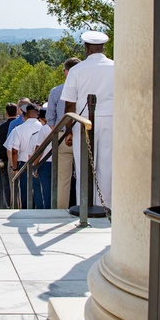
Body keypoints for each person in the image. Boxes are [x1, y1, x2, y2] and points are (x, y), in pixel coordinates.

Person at [62, 31, 114, 211]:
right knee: (106, 168)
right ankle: (105, 208)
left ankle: (84, 206)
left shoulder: (77, 70)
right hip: (110, 120)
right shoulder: (115, 67)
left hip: (83, 122)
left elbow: (70, 105)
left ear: (86, 48)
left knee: (85, 168)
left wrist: (68, 131)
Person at [46, 57, 81, 208]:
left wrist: (59, 134)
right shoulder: (86, 89)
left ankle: (61, 210)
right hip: (83, 135)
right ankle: (84, 207)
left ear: (66, 72)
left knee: (63, 179)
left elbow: (50, 119)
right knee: (83, 176)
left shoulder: (56, 91)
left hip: (62, 136)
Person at [4, 102, 52, 207]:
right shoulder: (44, 127)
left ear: (25, 115)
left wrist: (15, 168)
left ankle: (26, 212)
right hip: (40, 163)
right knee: (40, 194)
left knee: (25, 194)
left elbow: (14, 150)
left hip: (24, 165)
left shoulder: (18, 129)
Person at [0, 102, 19, 208]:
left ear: (6, 113)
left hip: (5, 161)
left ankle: (9, 204)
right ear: (17, 112)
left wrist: (1, 155)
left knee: (6, 185)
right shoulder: (19, 125)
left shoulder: (0, 128)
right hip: (17, 160)